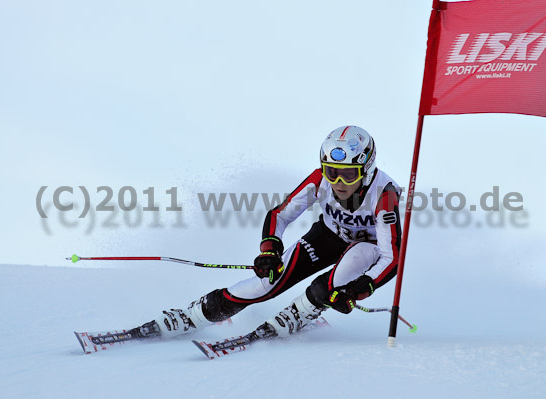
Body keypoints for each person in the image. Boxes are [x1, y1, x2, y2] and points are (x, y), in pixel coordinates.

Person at [138, 125, 402, 339]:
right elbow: (280, 214)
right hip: (328, 236)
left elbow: (391, 257)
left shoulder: (384, 195)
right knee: (266, 283)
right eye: (332, 172)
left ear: (366, 170)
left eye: (348, 174)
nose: (339, 183)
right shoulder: (319, 180)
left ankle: (304, 310)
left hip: (367, 248)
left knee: (331, 287)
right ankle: (196, 315)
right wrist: (270, 250)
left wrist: (361, 289)